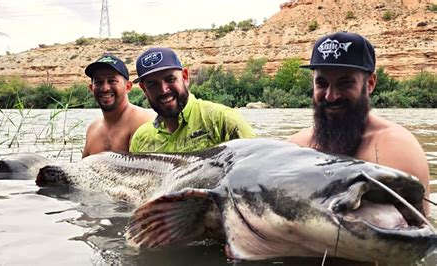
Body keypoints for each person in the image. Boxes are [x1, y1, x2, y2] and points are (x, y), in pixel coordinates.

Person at [288, 32, 430, 215]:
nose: (331, 96)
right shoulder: (296, 146)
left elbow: (416, 235)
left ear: (370, 83)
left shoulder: (398, 149)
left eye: (345, 84)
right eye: (322, 83)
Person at [129, 47, 255, 153]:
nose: (163, 90)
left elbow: (257, 166)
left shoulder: (224, 120)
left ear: (185, 77)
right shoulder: (140, 139)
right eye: (153, 84)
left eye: (170, 79)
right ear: (144, 89)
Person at [82, 54, 155, 157]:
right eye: (99, 82)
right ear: (91, 88)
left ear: (128, 87)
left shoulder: (143, 121)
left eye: (112, 81)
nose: (105, 88)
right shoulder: (92, 129)